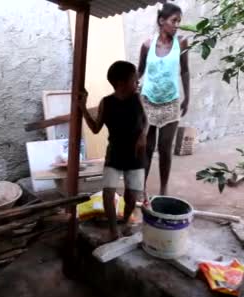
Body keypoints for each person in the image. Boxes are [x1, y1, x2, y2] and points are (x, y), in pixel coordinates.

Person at [79, 61, 148, 240]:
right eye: (135, 80)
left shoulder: (138, 98)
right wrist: (83, 107)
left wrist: (143, 135)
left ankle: (126, 221)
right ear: (120, 83)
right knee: (108, 192)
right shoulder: (107, 103)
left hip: (136, 155)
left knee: (131, 195)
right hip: (115, 153)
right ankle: (113, 229)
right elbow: (95, 128)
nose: (138, 83)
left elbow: (146, 121)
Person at [138, 3, 190, 196]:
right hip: (148, 102)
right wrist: (130, 85)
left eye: (179, 21)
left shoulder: (182, 43)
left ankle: (163, 188)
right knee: (147, 148)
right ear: (162, 21)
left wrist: (187, 98)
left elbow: (184, 70)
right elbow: (140, 70)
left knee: (165, 148)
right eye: (173, 20)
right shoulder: (147, 45)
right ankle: (141, 187)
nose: (177, 25)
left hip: (171, 102)